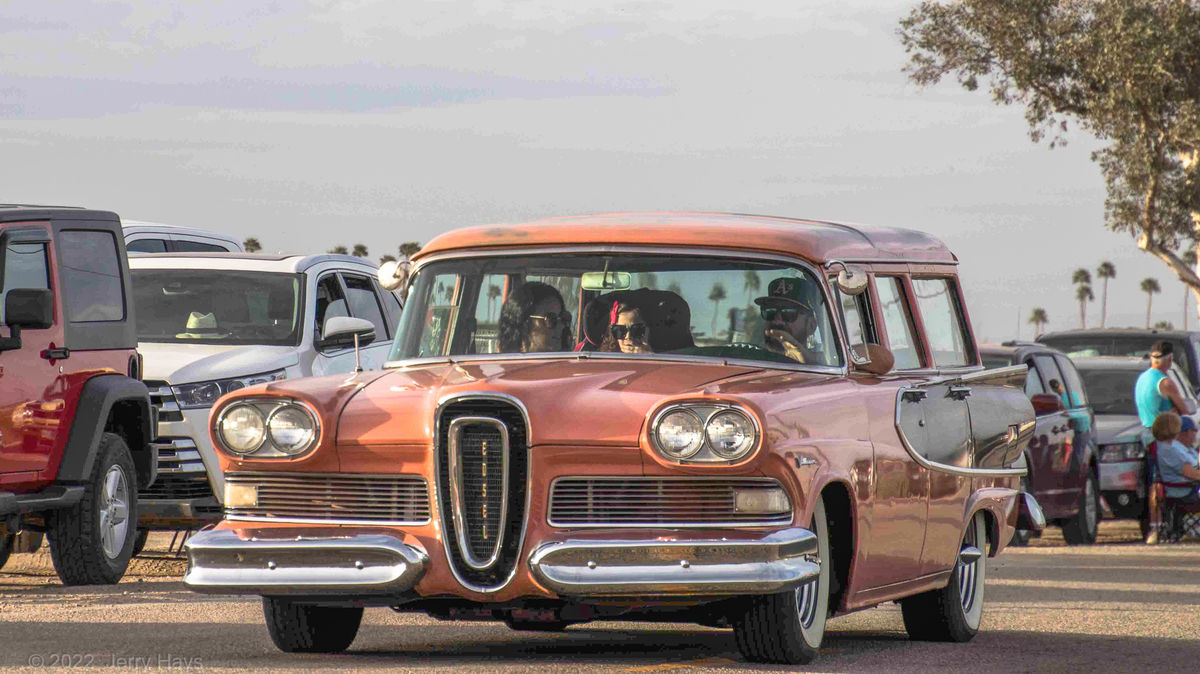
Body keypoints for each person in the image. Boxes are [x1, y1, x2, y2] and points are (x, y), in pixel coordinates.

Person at [754, 276, 824, 364]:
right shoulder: (749, 360)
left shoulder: (826, 368)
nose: (777, 321)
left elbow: (827, 361)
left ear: (811, 325)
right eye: (770, 311)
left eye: (788, 313)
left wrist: (804, 359)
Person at [1135, 341, 1196, 438]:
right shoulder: (1165, 383)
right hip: (1163, 435)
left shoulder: (1142, 378)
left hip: (1146, 432)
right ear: (1170, 359)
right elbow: (1184, 411)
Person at [497, 282, 571, 353]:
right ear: (524, 326)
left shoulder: (576, 363)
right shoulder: (503, 364)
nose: (561, 326)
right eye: (551, 319)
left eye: (564, 319)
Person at [1151, 411, 1200, 504]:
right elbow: (1193, 474)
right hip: (1184, 492)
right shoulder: (1168, 450)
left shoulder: (1166, 446)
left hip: (1185, 488)